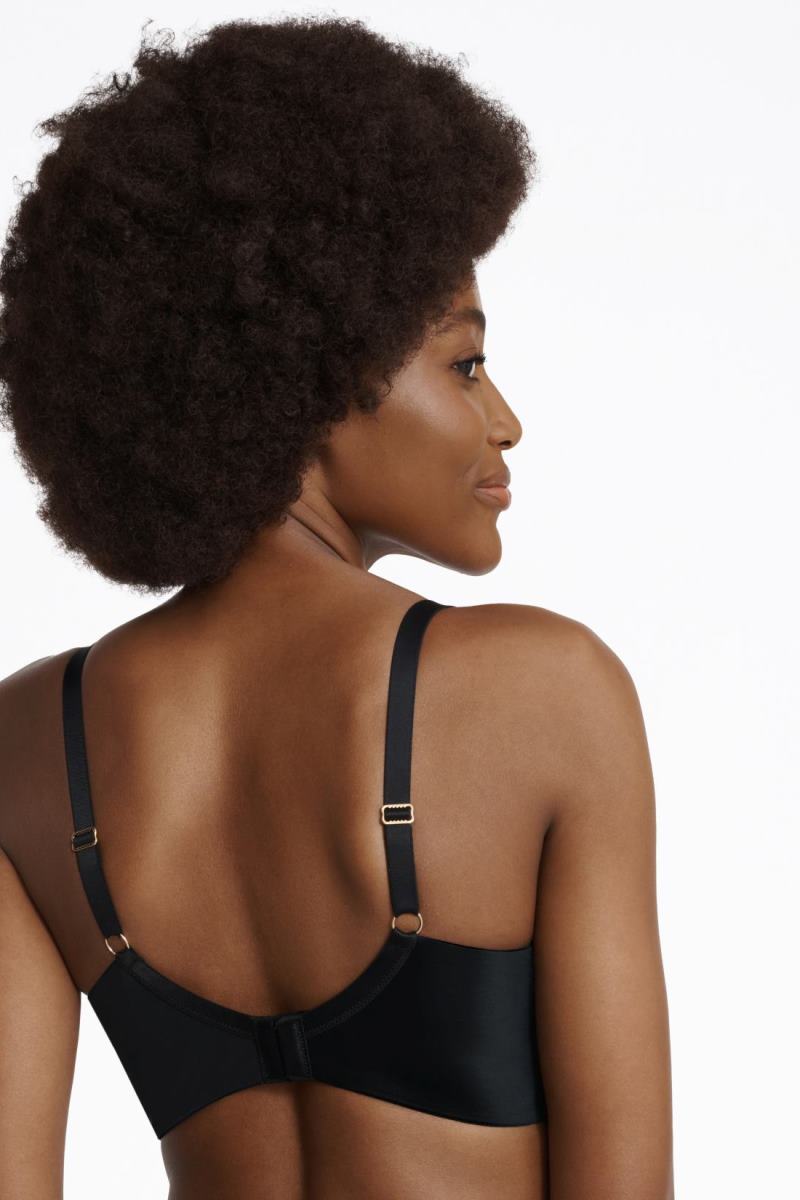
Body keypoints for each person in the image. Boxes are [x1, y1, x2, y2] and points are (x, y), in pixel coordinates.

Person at [0, 15, 674, 1199]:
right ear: (321, 365)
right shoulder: (542, 691)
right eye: (464, 363)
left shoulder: (23, 745)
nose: (503, 420)